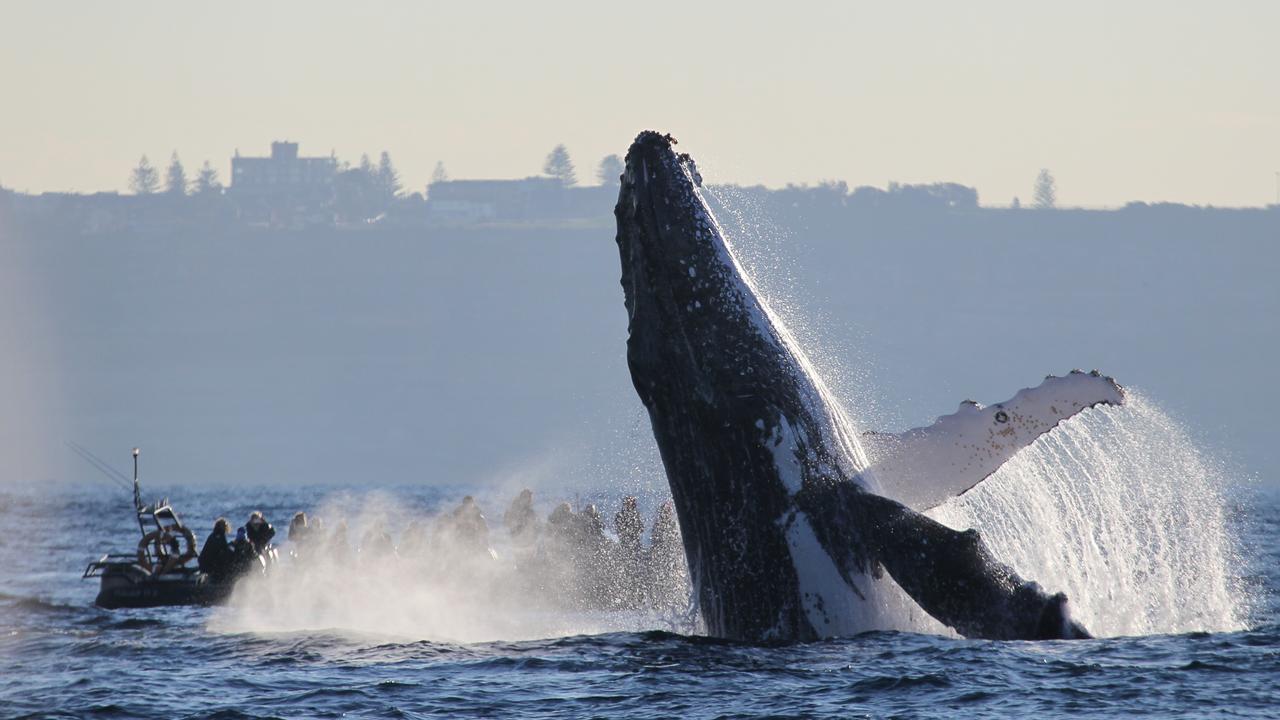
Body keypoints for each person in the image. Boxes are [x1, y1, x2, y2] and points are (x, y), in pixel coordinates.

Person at [198, 517, 236, 583]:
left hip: (203, 563)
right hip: (210, 565)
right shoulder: (221, 536)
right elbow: (224, 550)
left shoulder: (212, 535)